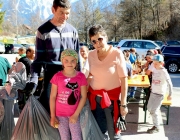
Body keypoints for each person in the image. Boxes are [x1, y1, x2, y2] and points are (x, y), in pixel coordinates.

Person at [25, 0, 79, 113]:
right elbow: (37, 60)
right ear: (53, 10)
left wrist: (81, 80)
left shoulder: (73, 31)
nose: (65, 16)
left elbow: (77, 59)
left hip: (70, 78)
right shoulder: (43, 31)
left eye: (67, 13)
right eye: (61, 12)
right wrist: (33, 81)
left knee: (69, 113)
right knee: (49, 113)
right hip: (51, 78)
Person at [86, 24, 128, 140]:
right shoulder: (90, 55)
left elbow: (124, 79)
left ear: (106, 37)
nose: (97, 43)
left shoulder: (116, 53)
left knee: (114, 134)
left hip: (112, 100)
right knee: (99, 132)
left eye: (100, 39)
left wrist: (123, 104)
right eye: (93, 41)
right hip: (96, 99)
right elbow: (89, 76)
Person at [50, 49, 87, 140]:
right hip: (60, 115)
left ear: (76, 62)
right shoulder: (57, 76)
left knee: (77, 137)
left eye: (72, 60)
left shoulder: (81, 77)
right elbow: (53, 97)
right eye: (66, 60)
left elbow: (83, 96)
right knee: (64, 137)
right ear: (62, 61)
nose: (69, 63)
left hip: (75, 114)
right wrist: (53, 116)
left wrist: (75, 114)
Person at [147, 54, 173, 133]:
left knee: (154, 110)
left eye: (156, 64)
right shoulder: (154, 69)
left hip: (160, 94)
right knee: (149, 108)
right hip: (153, 92)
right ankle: (155, 122)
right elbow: (153, 78)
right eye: (153, 63)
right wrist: (152, 85)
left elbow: (170, 83)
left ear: (161, 63)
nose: (154, 65)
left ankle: (156, 127)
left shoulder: (163, 71)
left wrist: (170, 94)